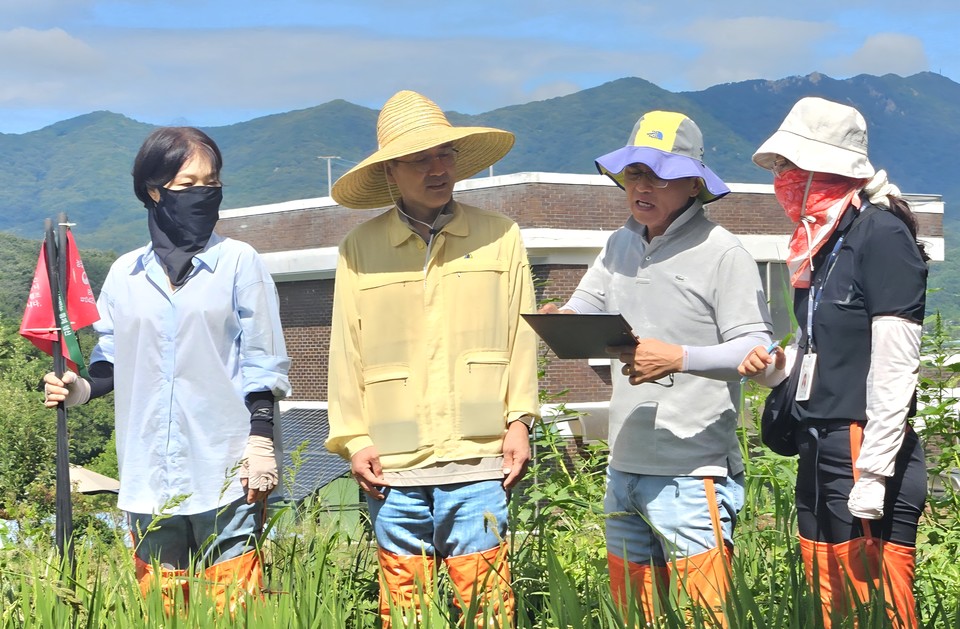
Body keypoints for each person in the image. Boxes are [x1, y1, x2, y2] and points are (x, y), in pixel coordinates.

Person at [42, 127, 291, 613]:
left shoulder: (240, 263)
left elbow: (265, 359)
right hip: (148, 473)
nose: (203, 194)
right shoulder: (125, 273)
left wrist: (260, 441)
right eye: (187, 184)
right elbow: (110, 361)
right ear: (154, 191)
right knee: (161, 608)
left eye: (211, 182)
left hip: (228, 468)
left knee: (235, 609)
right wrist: (79, 390)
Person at [540, 111, 773, 625]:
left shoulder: (723, 252)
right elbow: (586, 304)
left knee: (705, 614)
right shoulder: (620, 242)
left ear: (694, 183)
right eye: (634, 173)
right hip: (624, 464)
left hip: (693, 471)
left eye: (659, 175)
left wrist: (679, 357)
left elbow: (756, 348)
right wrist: (564, 319)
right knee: (631, 612)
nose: (642, 186)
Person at [325, 90, 539, 627]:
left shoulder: (500, 236)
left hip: (481, 456)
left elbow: (522, 335)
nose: (437, 168)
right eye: (420, 159)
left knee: (488, 602)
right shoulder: (359, 247)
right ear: (391, 172)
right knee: (405, 607)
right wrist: (355, 438)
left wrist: (520, 420)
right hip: (393, 464)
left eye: (444, 154)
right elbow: (344, 351)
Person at [739, 97, 928, 628]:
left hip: (861, 444)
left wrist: (873, 474)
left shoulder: (882, 235)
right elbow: (828, 344)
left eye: (791, 166)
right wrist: (780, 367)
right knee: (830, 604)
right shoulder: (824, 241)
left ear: (829, 168)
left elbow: (895, 365)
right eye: (780, 167)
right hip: (818, 442)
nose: (783, 178)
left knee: (879, 608)